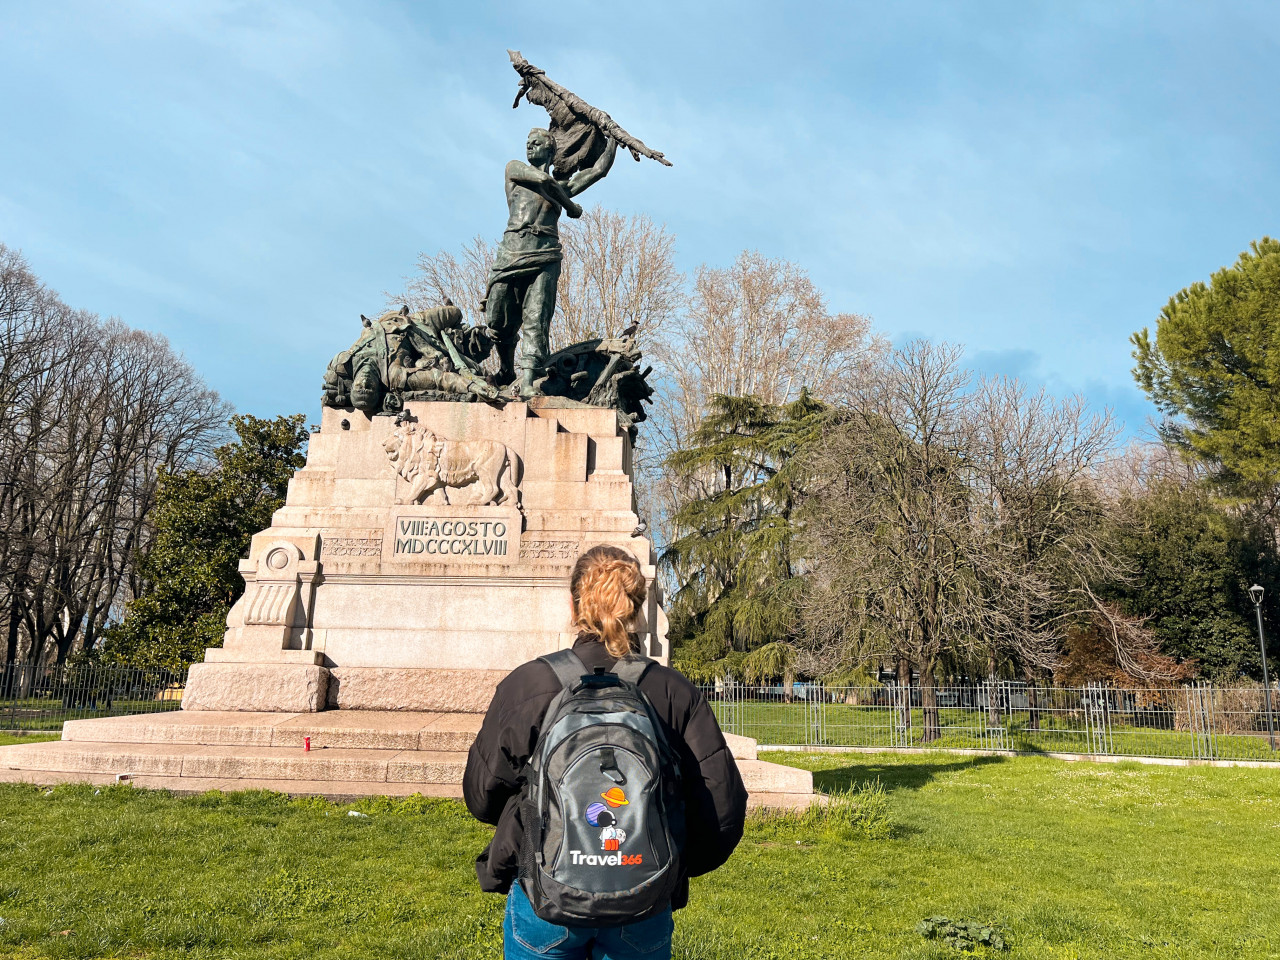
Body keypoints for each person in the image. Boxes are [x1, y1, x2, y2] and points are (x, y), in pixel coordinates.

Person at [464, 544, 747, 960]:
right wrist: (668, 867)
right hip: (642, 897)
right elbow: (722, 808)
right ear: (636, 608)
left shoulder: (528, 686)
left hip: (547, 893)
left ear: (573, 603)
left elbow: (481, 795)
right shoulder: (673, 692)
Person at [482, 127, 617, 399]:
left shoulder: (561, 187)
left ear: (550, 150)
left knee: (537, 315)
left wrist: (613, 139)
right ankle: (507, 368)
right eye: (528, 143)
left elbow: (597, 171)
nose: (529, 147)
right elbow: (544, 180)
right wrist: (570, 206)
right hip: (514, 250)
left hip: (546, 253)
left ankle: (530, 378)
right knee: (497, 317)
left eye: (536, 143)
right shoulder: (516, 169)